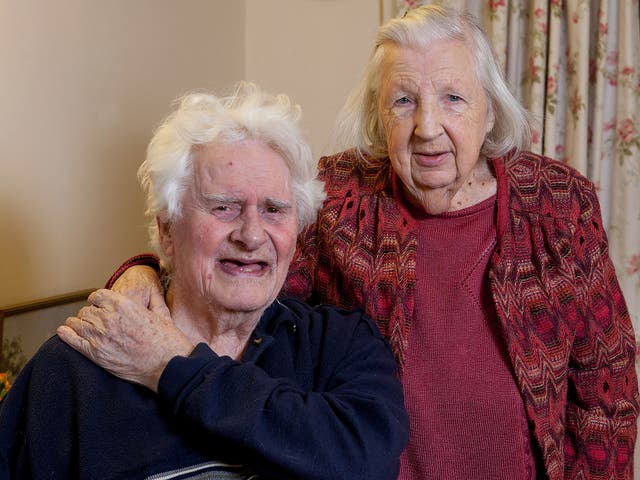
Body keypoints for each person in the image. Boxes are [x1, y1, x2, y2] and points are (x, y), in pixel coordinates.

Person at [57, 4, 638, 480]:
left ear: (490, 112)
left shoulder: (558, 203)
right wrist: (139, 272)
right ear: (379, 117)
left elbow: (606, 384)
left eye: (454, 99)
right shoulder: (338, 197)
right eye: (403, 100)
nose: (427, 126)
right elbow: (240, 260)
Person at [0, 82, 409, 479]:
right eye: (224, 207)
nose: (251, 235)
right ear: (166, 231)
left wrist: (171, 363)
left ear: (297, 230)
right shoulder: (78, 365)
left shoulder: (339, 345)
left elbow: (367, 464)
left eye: (273, 210)